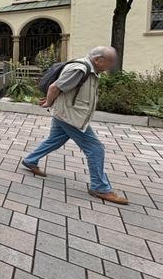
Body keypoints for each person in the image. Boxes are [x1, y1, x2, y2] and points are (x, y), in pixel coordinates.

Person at [22, 46, 128, 205]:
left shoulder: (88, 69)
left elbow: (64, 90)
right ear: (98, 59)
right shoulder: (80, 69)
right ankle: (100, 187)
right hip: (70, 117)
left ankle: (30, 160)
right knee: (95, 149)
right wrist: (49, 102)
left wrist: (53, 102)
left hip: (65, 113)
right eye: (110, 61)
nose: (111, 65)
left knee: (54, 140)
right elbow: (55, 87)